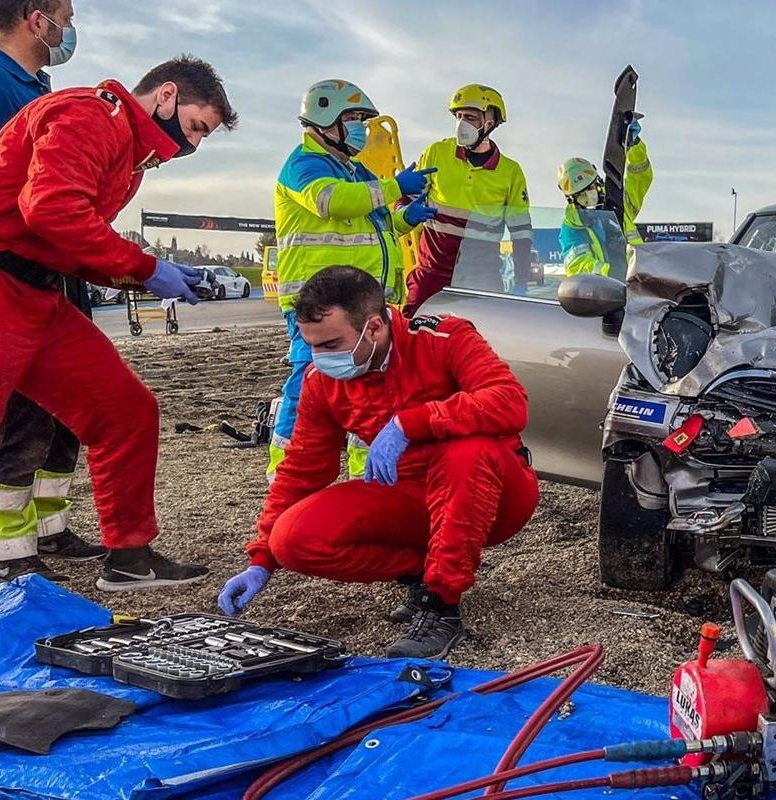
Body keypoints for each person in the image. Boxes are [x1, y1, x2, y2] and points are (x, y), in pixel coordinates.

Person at [0, 56, 236, 591]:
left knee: (125, 410)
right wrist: (148, 268)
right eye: (197, 127)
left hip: (35, 296)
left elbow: (60, 233)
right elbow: (52, 209)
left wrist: (147, 277)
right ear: (167, 96)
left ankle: (129, 557)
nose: (192, 147)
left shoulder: (124, 150)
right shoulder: (91, 115)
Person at [216, 267, 538, 659]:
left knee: (465, 453)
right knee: (294, 539)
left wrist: (411, 423)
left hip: (496, 493)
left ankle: (440, 605)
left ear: (373, 328)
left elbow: (509, 402)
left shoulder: (443, 337)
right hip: (412, 496)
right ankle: (425, 570)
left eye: (332, 343)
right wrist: (263, 559)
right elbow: (302, 469)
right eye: (312, 346)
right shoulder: (322, 380)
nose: (321, 358)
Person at [0, 0, 107, 583]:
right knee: (17, 412)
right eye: (66, 16)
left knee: (66, 410)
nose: (71, 28)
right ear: (36, 21)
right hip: (9, 277)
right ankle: (3, 552)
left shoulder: (35, 88)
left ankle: (49, 526)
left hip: (56, 269)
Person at [271, 79, 434, 480]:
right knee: (308, 384)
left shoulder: (354, 169)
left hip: (361, 302)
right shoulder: (304, 164)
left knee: (372, 387)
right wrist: (395, 186)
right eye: (354, 119)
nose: (361, 127)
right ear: (326, 121)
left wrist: (403, 219)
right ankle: (288, 472)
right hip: (319, 303)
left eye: (362, 119)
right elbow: (334, 204)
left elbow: (372, 223)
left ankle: (368, 473)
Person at [401, 84, 533, 312]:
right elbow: (406, 198)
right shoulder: (437, 153)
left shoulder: (510, 172)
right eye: (458, 116)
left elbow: (521, 233)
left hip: (481, 280)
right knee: (412, 337)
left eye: (470, 117)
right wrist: (404, 214)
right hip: (432, 275)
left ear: (490, 123)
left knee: (487, 341)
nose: (462, 124)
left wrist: (522, 280)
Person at [556, 119, 652, 279]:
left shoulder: (617, 203)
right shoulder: (572, 228)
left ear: (599, 184)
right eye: (581, 196)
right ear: (572, 200)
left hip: (641, 283)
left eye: (591, 189)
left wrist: (634, 145)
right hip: (606, 295)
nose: (589, 197)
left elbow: (640, 177)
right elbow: (578, 267)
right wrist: (613, 274)